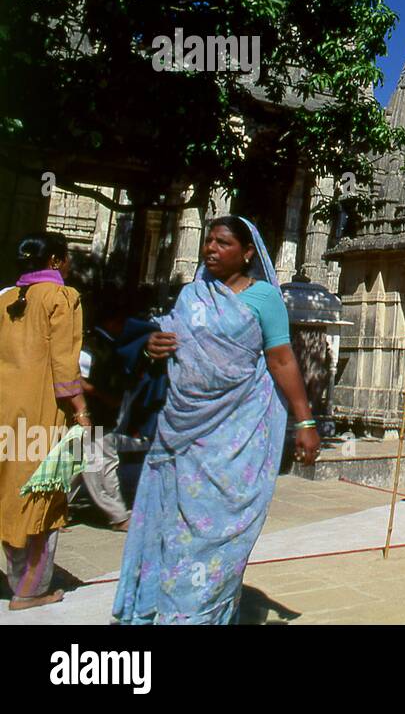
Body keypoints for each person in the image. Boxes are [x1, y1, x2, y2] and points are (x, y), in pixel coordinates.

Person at [112, 216, 321, 624]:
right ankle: (163, 611)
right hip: (181, 434)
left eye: (222, 243)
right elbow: (170, 344)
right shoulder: (190, 295)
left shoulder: (263, 298)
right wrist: (154, 346)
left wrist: (305, 422)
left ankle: (201, 615)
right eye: (208, 241)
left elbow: (280, 360)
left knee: (218, 539)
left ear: (247, 253)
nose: (210, 248)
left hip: (234, 437)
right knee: (174, 534)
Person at [0, 232, 93, 610]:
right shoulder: (62, 298)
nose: (69, 263)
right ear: (55, 261)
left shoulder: (6, 298)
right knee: (42, 493)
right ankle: (30, 589)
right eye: (67, 257)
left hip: (6, 407)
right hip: (41, 412)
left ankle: (13, 573)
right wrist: (82, 412)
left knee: (9, 489)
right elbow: (65, 367)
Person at [71, 308, 131, 531]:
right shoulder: (91, 348)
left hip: (97, 418)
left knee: (75, 468)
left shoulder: (105, 346)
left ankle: (52, 511)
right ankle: (118, 516)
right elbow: (77, 383)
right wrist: (95, 397)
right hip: (93, 418)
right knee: (103, 466)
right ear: (111, 322)